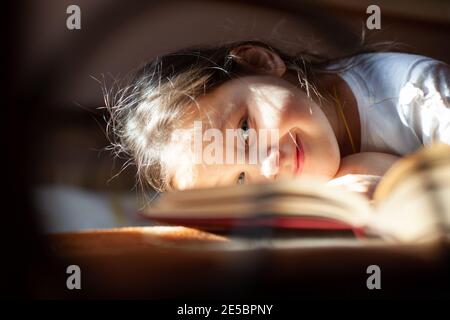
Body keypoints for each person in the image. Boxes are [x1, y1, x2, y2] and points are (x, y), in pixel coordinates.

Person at [105, 40, 449, 197]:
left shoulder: (417, 96)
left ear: (259, 62)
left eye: (244, 129)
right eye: (240, 180)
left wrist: (391, 177)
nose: (269, 167)